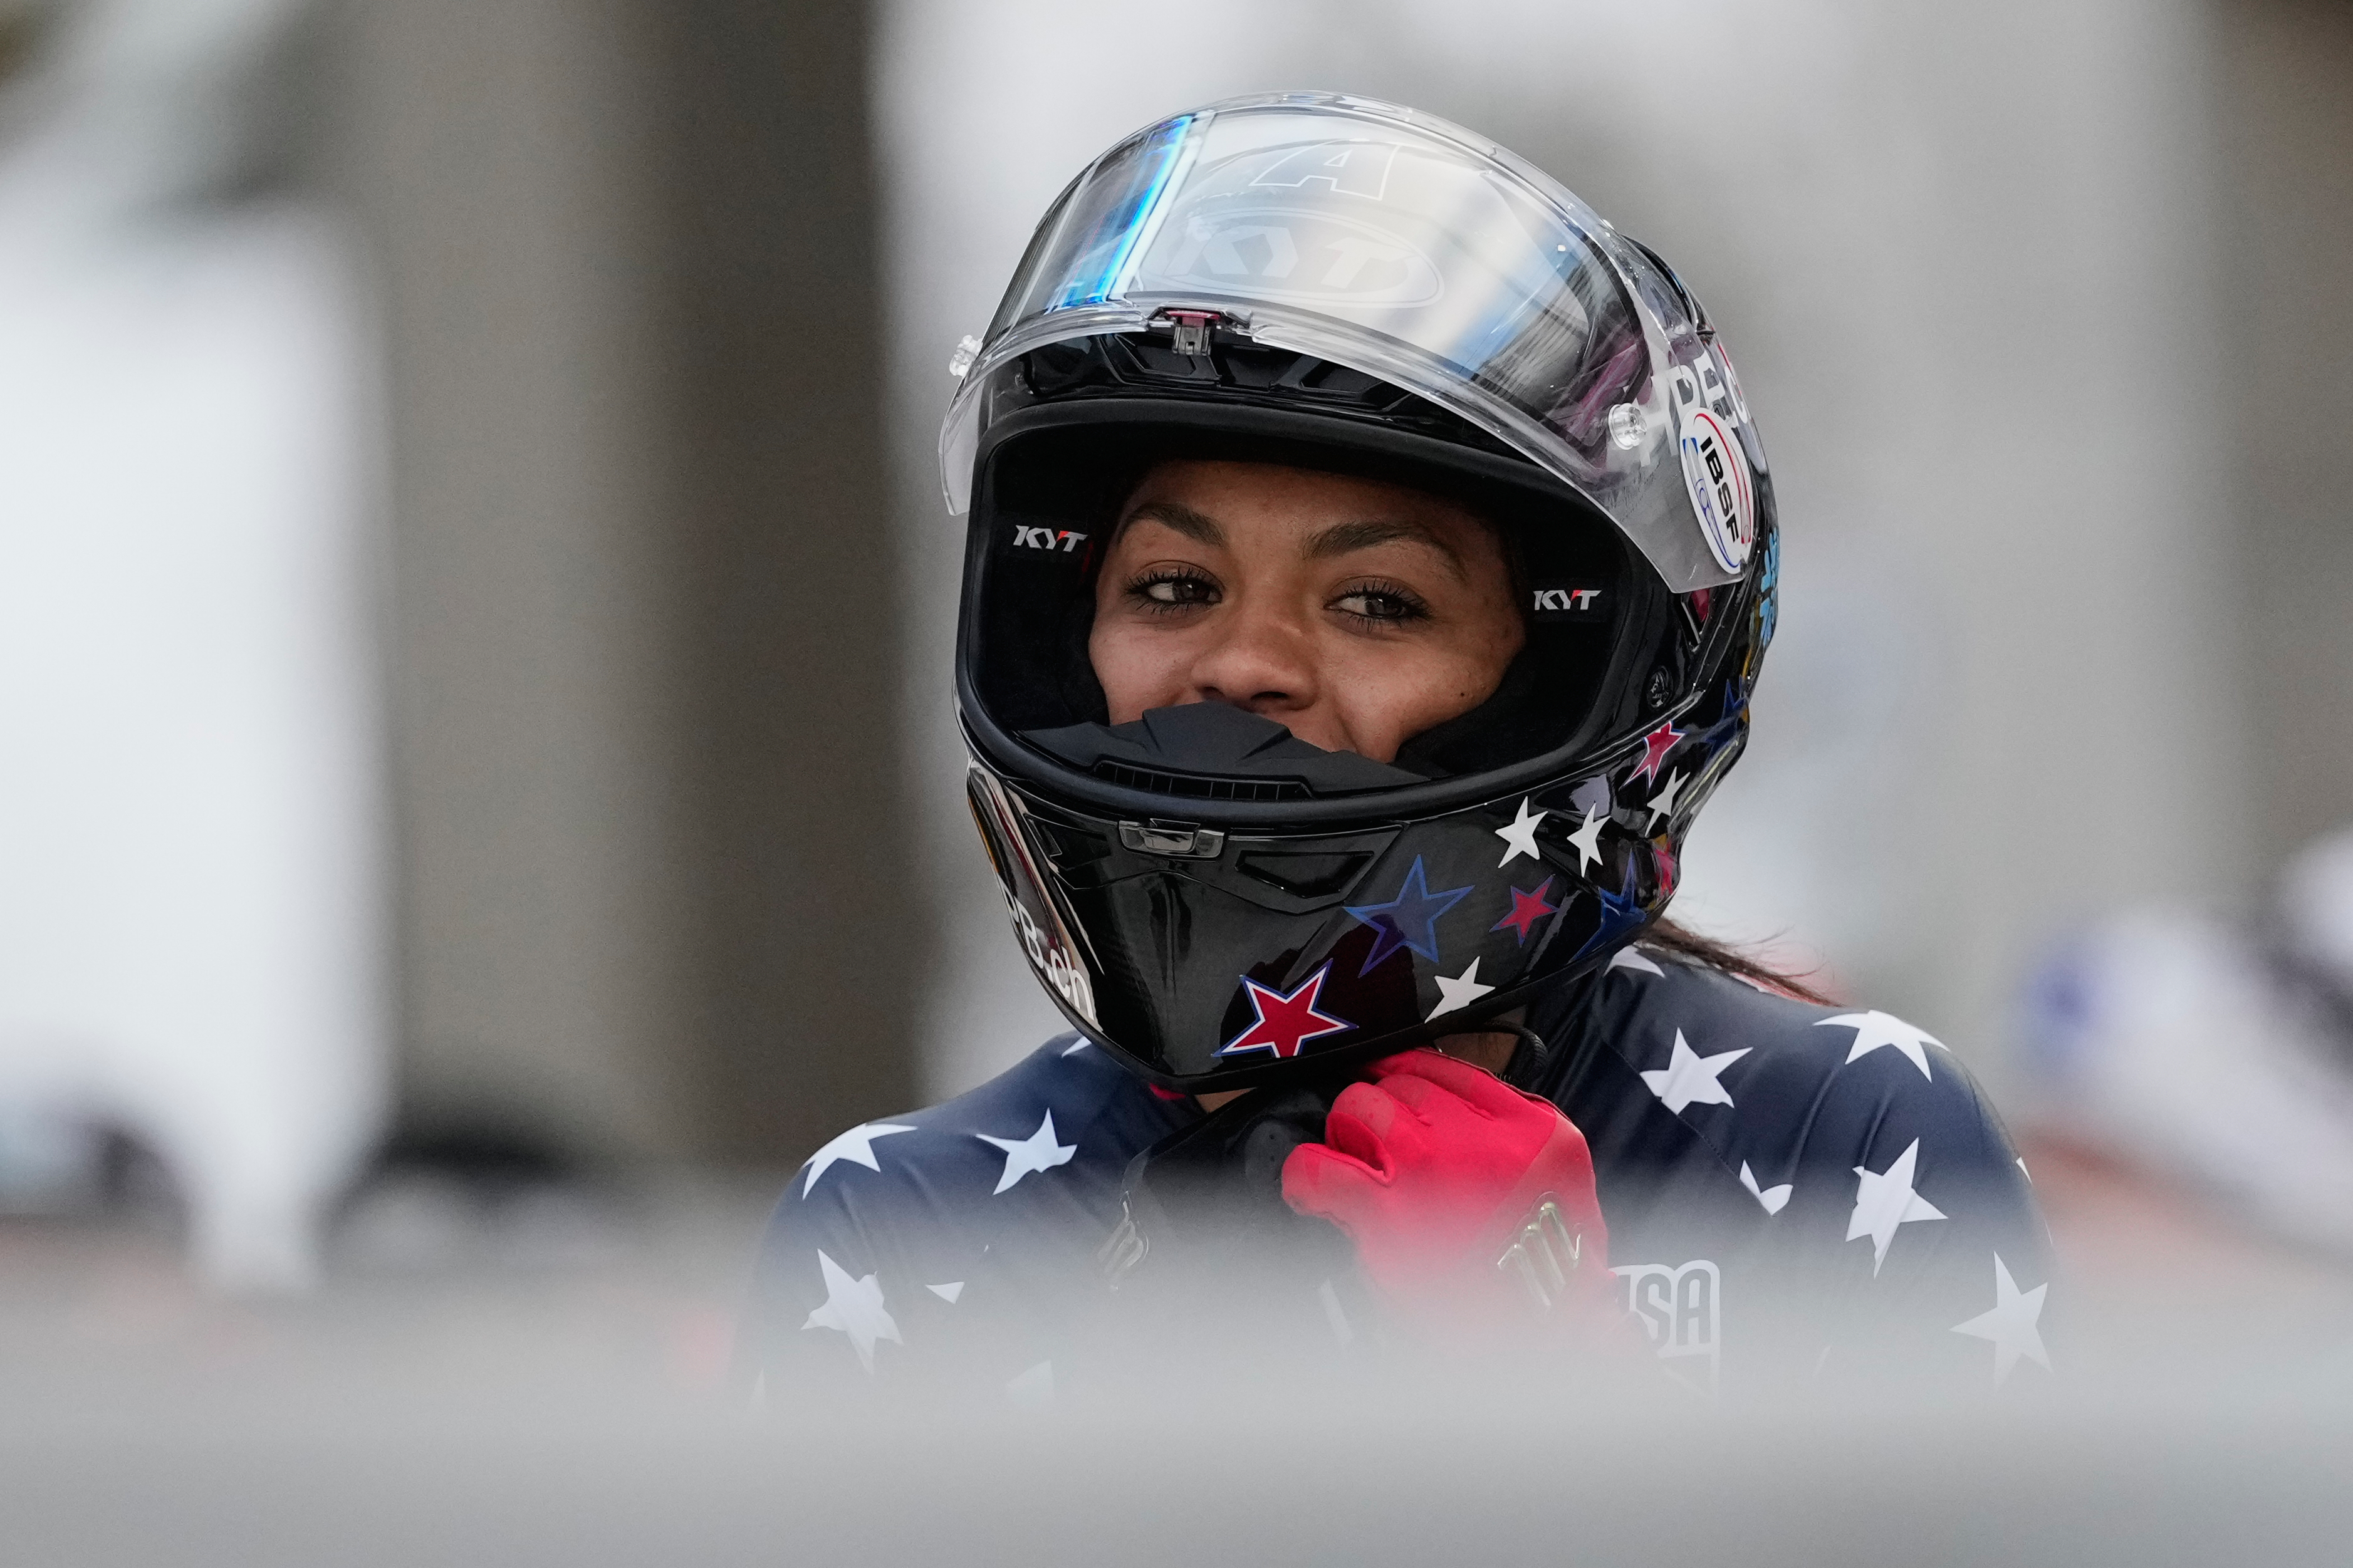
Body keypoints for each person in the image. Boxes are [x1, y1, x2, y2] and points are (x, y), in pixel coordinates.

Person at [744, 93, 2050, 1404]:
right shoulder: (899, 1234)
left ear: (1555, 683)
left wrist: (1554, 1386)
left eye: (1378, 603)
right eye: (1171, 586)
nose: (1245, 662)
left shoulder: (1834, 1146)